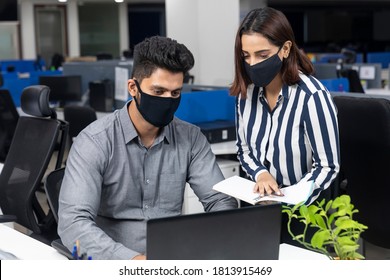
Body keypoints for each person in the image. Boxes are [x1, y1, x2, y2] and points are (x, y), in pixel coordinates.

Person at [58, 36, 238, 260]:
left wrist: (212, 240)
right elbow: (73, 222)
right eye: (158, 92)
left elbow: (219, 200)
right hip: (113, 262)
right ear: (133, 88)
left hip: (173, 257)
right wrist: (134, 262)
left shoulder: (190, 138)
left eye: (175, 93)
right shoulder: (95, 141)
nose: (168, 100)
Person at [230, 8, 340, 244]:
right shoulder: (245, 96)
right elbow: (244, 150)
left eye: (262, 54)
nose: (252, 63)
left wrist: (293, 198)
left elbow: (328, 166)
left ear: (286, 49)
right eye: (246, 56)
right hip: (259, 203)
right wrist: (261, 174)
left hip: (303, 210)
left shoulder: (312, 97)